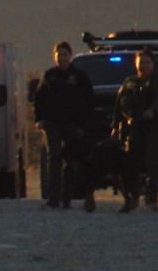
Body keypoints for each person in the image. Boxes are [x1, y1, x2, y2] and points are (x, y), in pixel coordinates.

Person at [29, 41, 93, 210]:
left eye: (65, 54)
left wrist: (82, 124)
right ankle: (53, 198)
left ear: (70, 56)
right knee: (53, 157)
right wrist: (38, 119)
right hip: (52, 123)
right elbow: (38, 99)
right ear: (54, 57)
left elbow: (89, 101)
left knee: (71, 162)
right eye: (59, 55)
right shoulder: (49, 76)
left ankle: (67, 199)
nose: (62, 58)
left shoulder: (79, 77)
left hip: (72, 124)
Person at [113, 52, 158, 213]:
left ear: (152, 64)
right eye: (141, 62)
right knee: (131, 165)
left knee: (153, 164)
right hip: (133, 128)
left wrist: (152, 111)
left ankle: (151, 200)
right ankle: (133, 197)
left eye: (147, 62)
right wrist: (115, 125)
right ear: (135, 64)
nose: (144, 66)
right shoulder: (129, 83)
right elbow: (118, 105)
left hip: (154, 128)